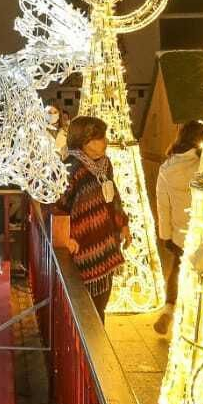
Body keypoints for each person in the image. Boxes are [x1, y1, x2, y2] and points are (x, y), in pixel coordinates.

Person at [56, 115, 129, 317]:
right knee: (83, 311)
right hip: (81, 249)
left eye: (103, 137)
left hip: (106, 244)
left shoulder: (105, 165)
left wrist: (123, 224)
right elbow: (58, 206)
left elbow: (113, 196)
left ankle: (98, 343)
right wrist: (64, 237)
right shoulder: (70, 168)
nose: (104, 142)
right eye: (99, 138)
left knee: (100, 306)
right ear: (83, 140)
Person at [153, 119, 203, 336]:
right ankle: (197, 315)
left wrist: (165, 235)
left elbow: (162, 204)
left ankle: (170, 308)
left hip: (179, 231)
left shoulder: (167, 167)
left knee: (177, 268)